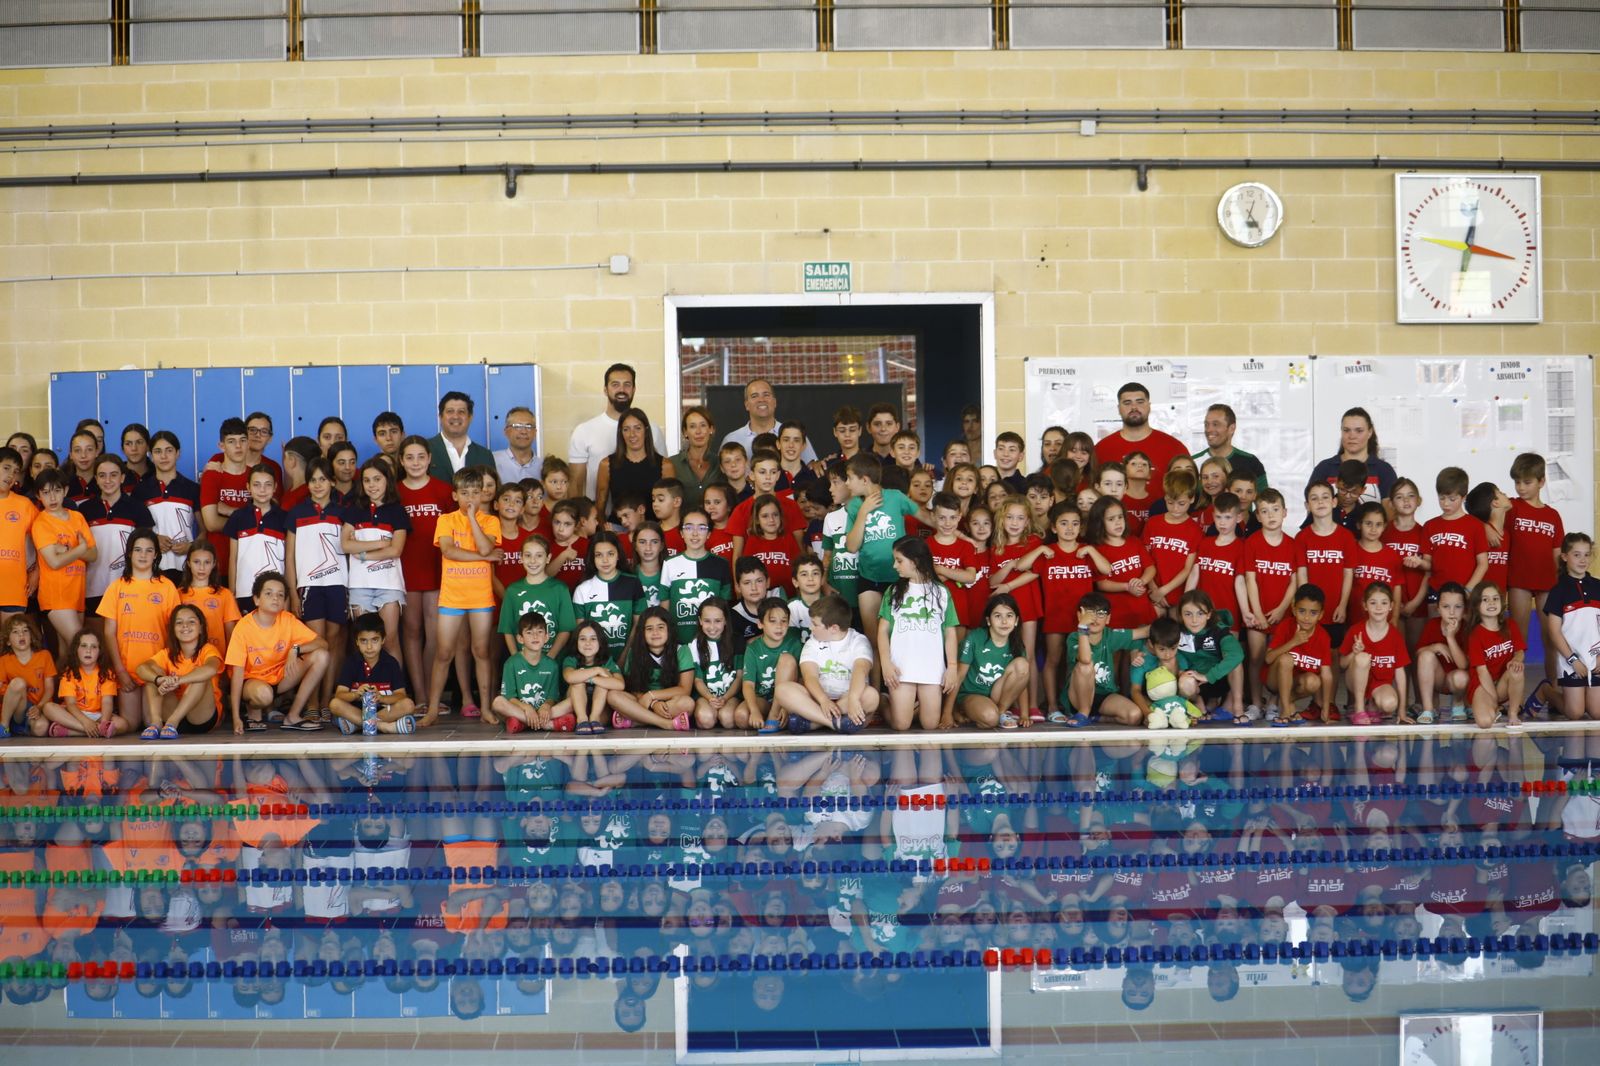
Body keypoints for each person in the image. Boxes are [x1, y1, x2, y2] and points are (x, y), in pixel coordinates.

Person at [225, 570, 329, 733]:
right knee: (263, 694)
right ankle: (251, 711)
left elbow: (322, 644)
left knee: (321, 656)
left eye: (280, 595)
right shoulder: (243, 627)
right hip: (253, 684)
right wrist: (235, 718)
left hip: (280, 679)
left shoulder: (287, 619)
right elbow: (237, 674)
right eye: (269, 593)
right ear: (256, 599)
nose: (275, 598)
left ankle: (293, 716)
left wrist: (296, 649)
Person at [96, 528, 177, 729]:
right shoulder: (117, 587)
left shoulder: (166, 586)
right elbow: (109, 632)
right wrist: (120, 671)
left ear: (156, 555)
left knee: (152, 722)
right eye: (138, 550)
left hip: (154, 671)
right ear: (130, 553)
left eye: (149, 550)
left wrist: (165, 669)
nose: (143, 555)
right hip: (127, 671)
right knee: (131, 725)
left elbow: (174, 631)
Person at [877, 535, 959, 732]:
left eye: (899, 561)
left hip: (931, 667)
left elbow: (950, 632)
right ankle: (883, 702)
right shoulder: (893, 591)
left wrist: (952, 667)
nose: (895, 566)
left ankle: (910, 707)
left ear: (915, 562)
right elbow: (882, 631)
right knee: (901, 725)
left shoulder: (941, 592)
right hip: (901, 667)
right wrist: (886, 663)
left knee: (930, 725)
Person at [775, 593, 877, 733]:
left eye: (815, 624)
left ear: (833, 628)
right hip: (817, 700)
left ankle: (813, 722)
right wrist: (823, 700)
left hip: (847, 700)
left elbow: (861, 670)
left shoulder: (858, 640)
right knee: (782, 690)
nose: (810, 628)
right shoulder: (812, 642)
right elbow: (809, 676)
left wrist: (853, 699)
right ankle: (835, 723)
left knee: (872, 696)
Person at [568, 364, 664, 501]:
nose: (622, 390)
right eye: (615, 385)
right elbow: (575, 485)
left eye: (627, 385)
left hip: (646, 518)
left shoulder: (652, 430)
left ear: (634, 389)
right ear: (605, 390)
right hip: (598, 518)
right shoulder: (584, 431)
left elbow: (663, 479)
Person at [136, 603, 222, 738]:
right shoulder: (167, 654)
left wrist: (178, 681)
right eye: (179, 622)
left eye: (191, 622)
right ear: (173, 630)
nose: (185, 626)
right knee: (152, 674)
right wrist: (159, 680)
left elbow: (211, 669)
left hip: (200, 718)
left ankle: (172, 722)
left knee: (200, 675)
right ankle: (156, 723)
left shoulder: (207, 650)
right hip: (171, 711)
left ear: (201, 628)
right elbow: (141, 668)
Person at [491, 611, 570, 733]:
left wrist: (546, 705)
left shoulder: (552, 665)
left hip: (543, 712)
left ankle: (524, 723)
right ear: (520, 638)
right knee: (498, 702)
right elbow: (510, 697)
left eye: (539, 632)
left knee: (572, 701)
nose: (535, 636)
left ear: (546, 637)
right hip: (521, 710)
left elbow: (552, 697)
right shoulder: (511, 663)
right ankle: (546, 725)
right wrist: (527, 708)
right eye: (529, 632)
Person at [134, 430, 200, 576]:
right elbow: (135, 530)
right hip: (152, 567)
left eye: (168, 450)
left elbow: (204, 530)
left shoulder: (192, 488)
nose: (163, 456)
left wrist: (191, 546)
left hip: (186, 568)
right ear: (151, 455)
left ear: (178, 453)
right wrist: (154, 539)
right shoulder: (141, 491)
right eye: (158, 451)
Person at [1093, 382, 1190, 480]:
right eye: (1127, 403)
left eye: (1140, 402)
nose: (1134, 407)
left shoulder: (1174, 448)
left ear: (1149, 406)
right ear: (1119, 409)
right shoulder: (1101, 450)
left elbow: (1189, 489)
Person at [595, 408, 672, 525]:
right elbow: (599, 507)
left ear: (646, 431)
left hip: (653, 531)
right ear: (621, 432)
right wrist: (606, 533)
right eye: (626, 429)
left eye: (637, 428)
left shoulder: (665, 465)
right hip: (618, 531)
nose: (632, 434)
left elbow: (671, 508)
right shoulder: (606, 465)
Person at [1306, 406, 1397, 506]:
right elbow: (1312, 509)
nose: (1352, 436)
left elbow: (1390, 514)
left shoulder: (1384, 470)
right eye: (1346, 430)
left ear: (1370, 432)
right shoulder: (1324, 468)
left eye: (1359, 431)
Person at [722, 378, 818, 464]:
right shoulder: (732, 439)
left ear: (775, 402)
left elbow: (812, 466)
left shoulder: (794, 435)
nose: (761, 400)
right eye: (754, 396)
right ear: (746, 405)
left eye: (766, 395)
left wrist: (815, 464)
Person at [1192, 404, 1267, 491]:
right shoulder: (1192, 464)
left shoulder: (1251, 463)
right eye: (1206, 425)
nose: (1209, 429)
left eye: (1216, 424)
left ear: (1232, 428)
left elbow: (1265, 502)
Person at [426, 391, 495, 483]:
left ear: (470, 417)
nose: (455, 416)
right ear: (440, 416)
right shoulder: (425, 449)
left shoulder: (485, 455)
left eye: (461, 412)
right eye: (450, 411)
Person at [667, 406, 718, 512]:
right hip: (684, 526)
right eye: (692, 426)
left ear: (711, 429)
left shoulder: (720, 463)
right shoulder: (672, 463)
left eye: (703, 425)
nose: (698, 431)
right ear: (685, 432)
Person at [493, 406, 542, 485]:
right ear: (506, 431)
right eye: (518, 426)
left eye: (528, 426)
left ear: (535, 432)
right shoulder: (493, 461)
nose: (524, 432)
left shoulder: (543, 467)